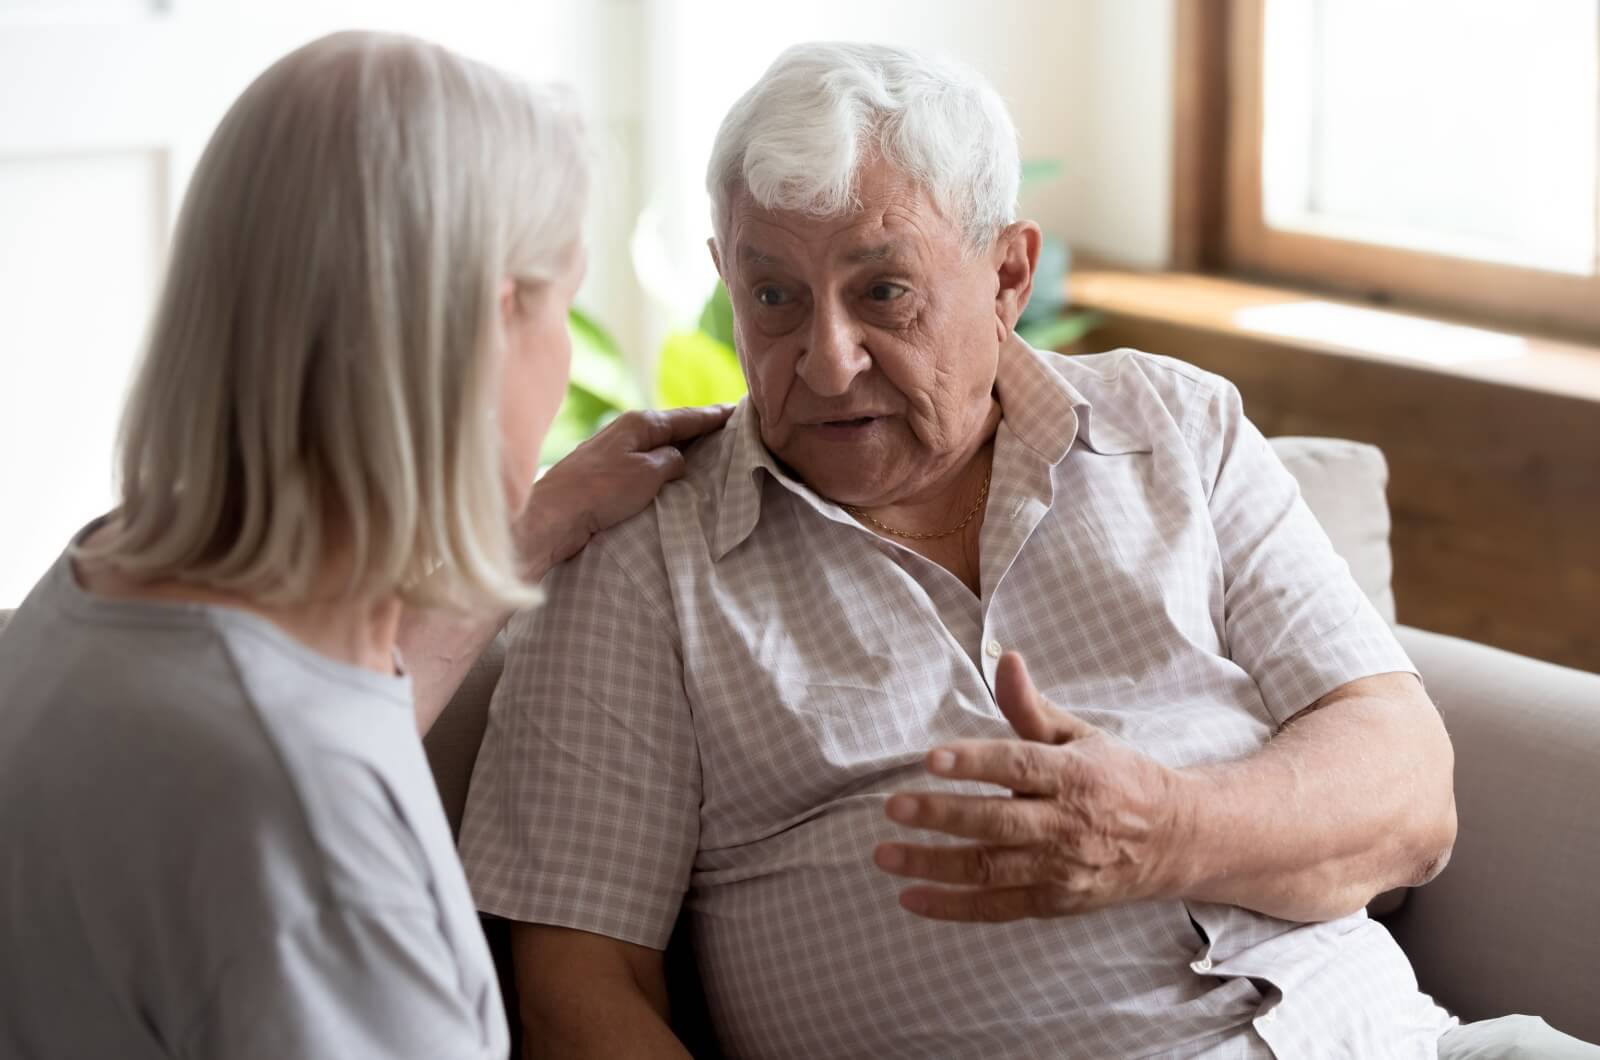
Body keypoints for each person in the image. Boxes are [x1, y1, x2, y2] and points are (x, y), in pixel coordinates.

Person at [459, 42, 1600, 1059]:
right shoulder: (644, 556)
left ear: (1006, 273)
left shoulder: (1178, 429)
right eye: (772, 295)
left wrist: (1165, 831)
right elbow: (577, 994)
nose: (826, 359)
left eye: (883, 290)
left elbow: (1409, 792)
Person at [0, 31, 727, 1059]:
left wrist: (529, 532)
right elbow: (295, 776)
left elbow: (321, 713)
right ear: (488, 324)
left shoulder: (102, 583)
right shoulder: (301, 837)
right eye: (560, 304)